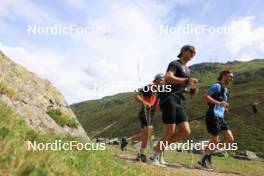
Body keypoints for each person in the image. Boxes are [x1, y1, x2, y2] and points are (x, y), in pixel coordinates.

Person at [150, 45, 199, 165]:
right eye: (191, 51)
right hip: (168, 98)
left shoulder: (188, 70)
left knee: (185, 131)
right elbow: (168, 77)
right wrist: (186, 81)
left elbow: (180, 87)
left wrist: (189, 91)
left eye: (194, 53)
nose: (193, 54)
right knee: (170, 131)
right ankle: (154, 156)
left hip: (178, 100)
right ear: (183, 51)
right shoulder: (175, 64)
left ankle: (159, 148)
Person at [120, 73, 164, 162]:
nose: (164, 82)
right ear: (157, 79)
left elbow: (155, 104)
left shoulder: (158, 91)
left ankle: (126, 140)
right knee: (149, 132)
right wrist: (145, 103)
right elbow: (136, 96)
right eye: (162, 79)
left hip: (151, 114)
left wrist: (161, 107)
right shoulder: (150, 87)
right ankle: (141, 154)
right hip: (144, 112)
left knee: (144, 135)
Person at [197, 70, 234, 169]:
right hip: (213, 115)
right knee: (214, 140)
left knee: (230, 139)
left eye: (232, 77)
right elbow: (205, 96)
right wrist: (219, 103)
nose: (231, 79)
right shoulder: (217, 86)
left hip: (221, 117)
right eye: (230, 76)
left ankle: (207, 154)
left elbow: (222, 103)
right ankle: (202, 161)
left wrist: (225, 108)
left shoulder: (226, 90)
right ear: (223, 76)